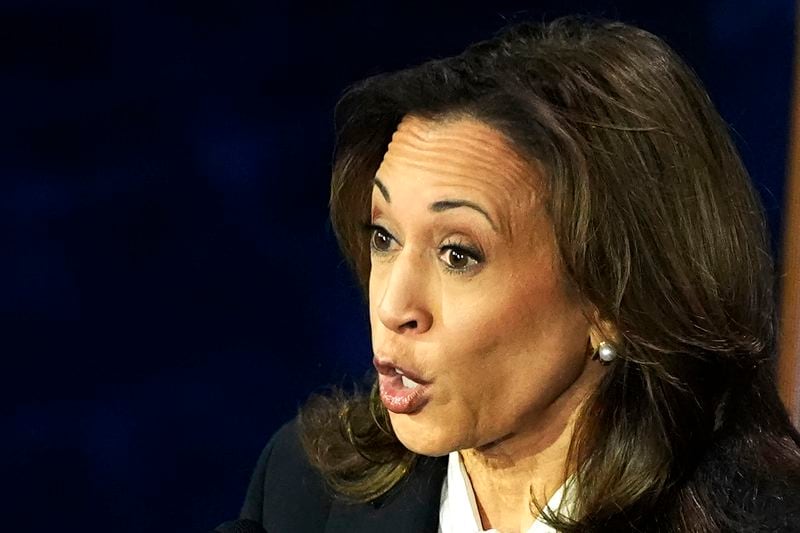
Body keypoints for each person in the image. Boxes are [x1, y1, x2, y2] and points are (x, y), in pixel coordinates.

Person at [223, 16, 800, 532]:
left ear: (614, 301)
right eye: (384, 237)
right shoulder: (305, 486)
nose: (392, 306)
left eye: (458, 255)